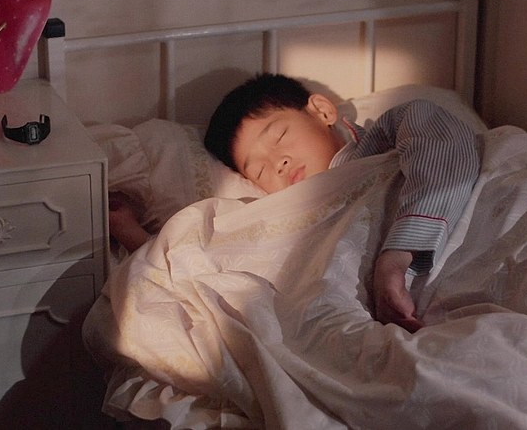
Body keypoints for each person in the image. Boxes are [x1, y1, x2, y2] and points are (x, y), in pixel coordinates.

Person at [204, 73, 480, 333]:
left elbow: (444, 154)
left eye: (279, 136)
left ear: (322, 111)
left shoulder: (393, 133)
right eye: (260, 170)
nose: (278, 163)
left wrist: (395, 259)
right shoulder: (286, 222)